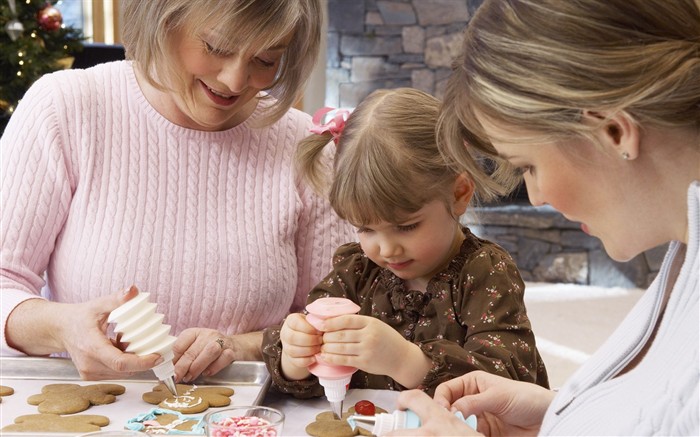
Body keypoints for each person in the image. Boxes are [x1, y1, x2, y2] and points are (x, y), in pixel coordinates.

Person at [0, 0, 354, 384]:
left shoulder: (305, 146)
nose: (235, 80)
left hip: (251, 416)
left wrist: (242, 346)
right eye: (217, 47)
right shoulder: (66, 108)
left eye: (266, 60)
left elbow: (329, 317)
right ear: (163, 20)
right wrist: (61, 327)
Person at [389, 0, 699, 435]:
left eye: (528, 166)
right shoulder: (686, 252)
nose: (535, 197)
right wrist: (556, 415)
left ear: (612, 130)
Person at [261, 88, 549, 399]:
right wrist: (297, 356)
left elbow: (508, 381)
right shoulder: (357, 271)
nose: (386, 250)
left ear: (459, 193)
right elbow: (311, 380)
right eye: (366, 229)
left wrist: (405, 360)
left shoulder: (485, 273)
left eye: (406, 226)